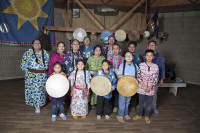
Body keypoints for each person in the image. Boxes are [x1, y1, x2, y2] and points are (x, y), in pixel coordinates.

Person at [20, 39, 50, 113]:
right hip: (32, 76)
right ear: (32, 45)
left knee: (42, 91)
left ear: (41, 44)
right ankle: (37, 106)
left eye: (39, 43)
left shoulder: (45, 53)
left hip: (43, 76)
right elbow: (22, 65)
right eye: (35, 43)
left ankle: (41, 103)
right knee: (35, 91)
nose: (37, 45)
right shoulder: (28, 53)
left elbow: (49, 64)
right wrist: (28, 74)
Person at [133, 49, 159, 124]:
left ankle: (147, 115)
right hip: (142, 88)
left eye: (151, 55)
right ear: (145, 56)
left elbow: (156, 78)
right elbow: (139, 76)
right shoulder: (141, 65)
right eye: (148, 55)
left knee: (149, 104)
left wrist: (150, 87)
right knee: (141, 103)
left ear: (153, 57)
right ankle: (139, 114)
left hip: (150, 89)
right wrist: (144, 86)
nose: (149, 57)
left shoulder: (156, 67)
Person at [142, 40, 165, 114]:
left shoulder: (160, 56)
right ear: (147, 47)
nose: (151, 46)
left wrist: (162, 78)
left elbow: (162, 67)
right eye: (150, 45)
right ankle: (145, 107)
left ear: (156, 47)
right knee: (145, 92)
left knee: (154, 93)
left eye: (153, 45)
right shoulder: (143, 55)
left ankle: (153, 107)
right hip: (145, 78)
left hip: (155, 79)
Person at [116, 51, 138, 123]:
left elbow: (137, 76)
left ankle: (126, 114)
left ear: (132, 57)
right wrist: (129, 77)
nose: (128, 57)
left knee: (128, 102)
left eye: (130, 56)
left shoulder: (135, 66)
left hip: (131, 88)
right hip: (123, 86)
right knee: (122, 102)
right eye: (127, 56)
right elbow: (119, 75)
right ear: (124, 58)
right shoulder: (122, 65)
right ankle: (120, 115)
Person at [127, 41, 143, 111]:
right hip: (127, 77)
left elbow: (141, 67)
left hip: (135, 77)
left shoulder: (138, 56)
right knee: (127, 90)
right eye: (130, 47)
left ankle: (133, 105)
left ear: (135, 48)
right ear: (128, 48)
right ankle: (127, 105)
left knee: (133, 91)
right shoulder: (125, 55)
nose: (131, 48)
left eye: (133, 47)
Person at [107, 44, 123, 113]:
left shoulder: (123, 59)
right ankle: (110, 104)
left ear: (119, 50)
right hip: (111, 77)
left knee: (117, 92)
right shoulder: (109, 58)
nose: (115, 50)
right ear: (112, 50)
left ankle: (115, 106)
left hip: (119, 78)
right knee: (110, 91)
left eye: (117, 49)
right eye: (114, 49)